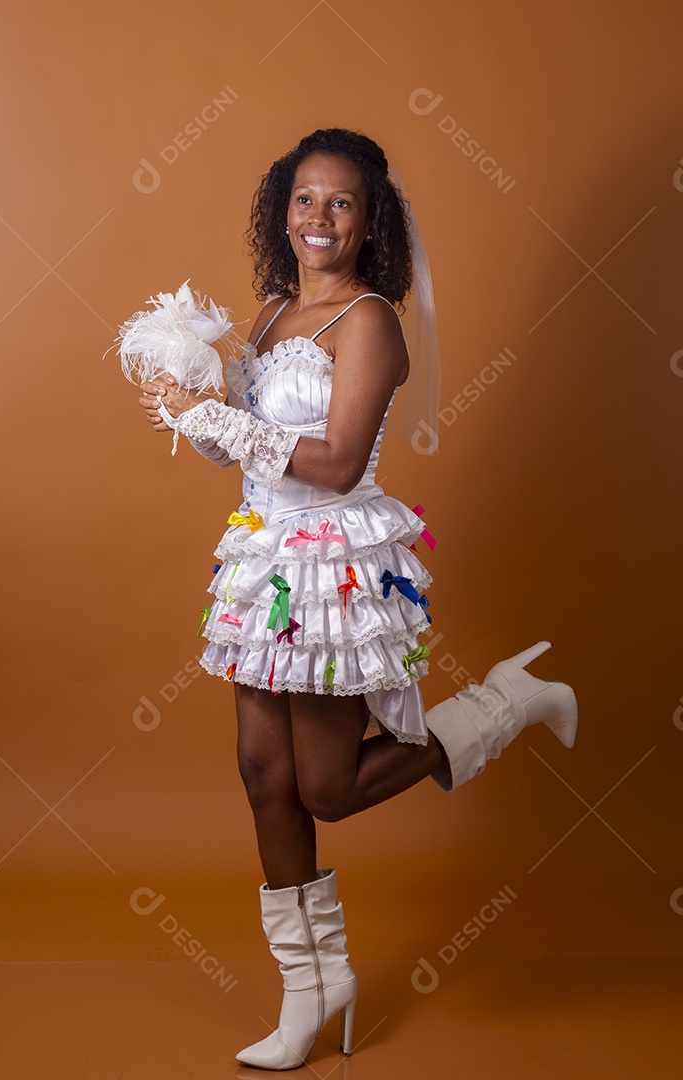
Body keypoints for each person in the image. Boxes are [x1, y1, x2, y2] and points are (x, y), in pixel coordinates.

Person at [137, 128, 578, 1070]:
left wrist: (213, 417)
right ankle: (312, 989)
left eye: (340, 202)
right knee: (264, 777)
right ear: (280, 211)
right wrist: (189, 414)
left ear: (369, 219)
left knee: (326, 788)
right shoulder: (264, 319)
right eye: (304, 199)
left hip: (333, 564)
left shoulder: (372, 320)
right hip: (262, 562)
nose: (319, 218)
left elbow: (335, 466)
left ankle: (504, 702)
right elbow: (241, 449)